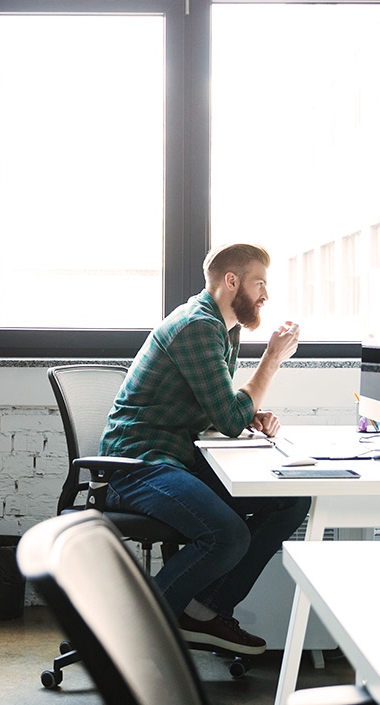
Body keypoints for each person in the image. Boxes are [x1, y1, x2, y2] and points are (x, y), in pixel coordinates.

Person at [99, 243, 310, 655]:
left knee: (290, 499)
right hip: (137, 465)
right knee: (226, 534)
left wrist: (250, 413)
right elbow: (229, 420)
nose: (266, 295)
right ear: (232, 282)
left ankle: (201, 610)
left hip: (173, 458)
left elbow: (221, 410)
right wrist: (271, 359)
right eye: (259, 283)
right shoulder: (197, 325)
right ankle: (133, 633)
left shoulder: (221, 328)